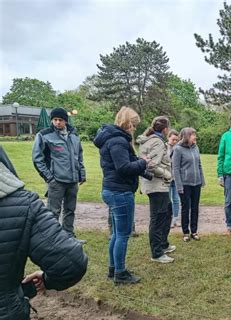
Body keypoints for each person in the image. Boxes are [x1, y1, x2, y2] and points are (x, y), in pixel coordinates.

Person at [0, 145, 88, 320]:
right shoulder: (24, 204)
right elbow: (71, 263)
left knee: (68, 213)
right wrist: (37, 284)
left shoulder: (72, 138)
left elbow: (78, 157)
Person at [93, 106, 150, 285]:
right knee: (123, 234)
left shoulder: (111, 138)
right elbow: (124, 168)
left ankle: (113, 268)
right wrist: (143, 162)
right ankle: (120, 272)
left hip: (112, 189)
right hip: (120, 192)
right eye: (134, 125)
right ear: (128, 123)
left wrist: (145, 170)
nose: (135, 129)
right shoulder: (118, 141)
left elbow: (126, 163)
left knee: (117, 233)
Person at [32, 107, 86, 243]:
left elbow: (79, 155)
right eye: (55, 120)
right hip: (57, 181)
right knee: (52, 212)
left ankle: (68, 237)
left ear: (65, 121)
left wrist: (82, 173)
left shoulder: (74, 134)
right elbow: (37, 159)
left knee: (70, 210)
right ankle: (51, 239)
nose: (57, 122)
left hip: (73, 180)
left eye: (60, 120)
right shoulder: (44, 135)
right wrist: (49, 177)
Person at [137, 116, 176, 264]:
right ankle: (157, 252)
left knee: (167, 212)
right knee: (158, 218)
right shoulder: (157, 142)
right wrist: (167, 174)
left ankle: (163, 244)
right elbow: (151, 164)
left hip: (157, 186)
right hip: (157, 186)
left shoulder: (149, 140)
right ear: (165, 129)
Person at [172, 127, 205, 242]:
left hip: (196, 183)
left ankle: (194, 231)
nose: (195, 137)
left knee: (195, 208)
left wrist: (202, 180)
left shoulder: (196, 147)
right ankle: (186, 232)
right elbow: (175, 169)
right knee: (186, 208)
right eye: (192, 135)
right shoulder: (178, 149)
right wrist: (179, 186)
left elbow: (199, 164)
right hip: (185, 184)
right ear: (186, 136)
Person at [167, 129, 180, 228]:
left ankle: (176, 219)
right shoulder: (163, 147)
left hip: (176, 178)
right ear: (168, 138)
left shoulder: (178, 149)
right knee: (168, 200)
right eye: (173, 139)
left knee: (176, 199)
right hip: (167, 177)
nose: (174, 141)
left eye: (176, 140)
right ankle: (169, 219)